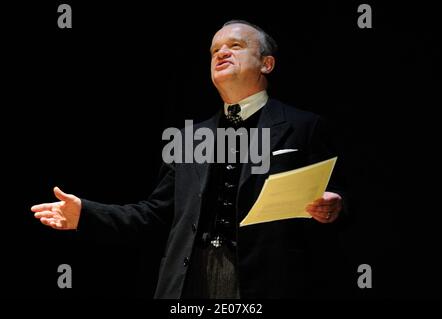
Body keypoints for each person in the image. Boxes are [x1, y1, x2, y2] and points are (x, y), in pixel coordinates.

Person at [31, 20, 344, 298]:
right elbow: (155, 216)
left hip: (269, 280)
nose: (221, 53)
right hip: (188, 279)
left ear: (267, 63)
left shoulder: (305, 126)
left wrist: (336, 206)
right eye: (214, 50)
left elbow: (343, 200)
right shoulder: (188, 138)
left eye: (235, 46)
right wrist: (87, 214)